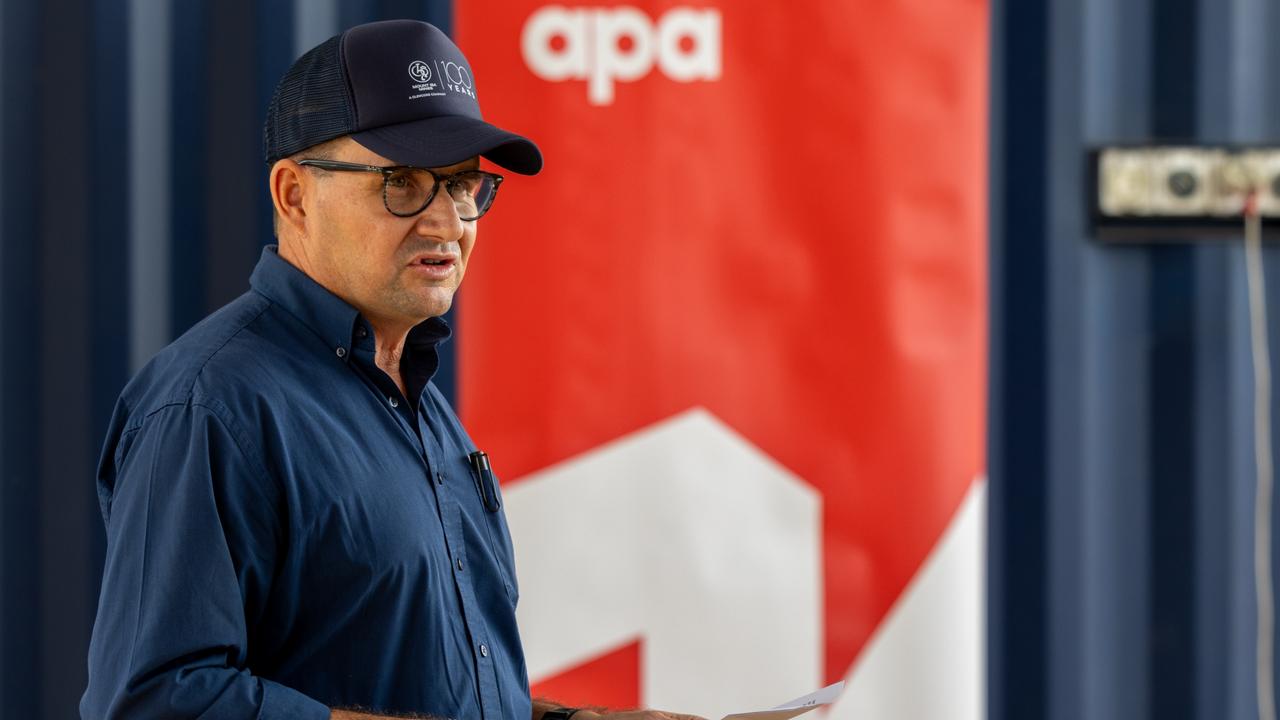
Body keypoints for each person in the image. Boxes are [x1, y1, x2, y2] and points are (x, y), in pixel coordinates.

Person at [81, 19, 704, 720]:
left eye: (464, 184)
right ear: (293, 195)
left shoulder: (418, 403)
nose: (448, 222)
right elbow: (152, 702)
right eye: (402, 183)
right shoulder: (212, 406)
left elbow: (420, 687)